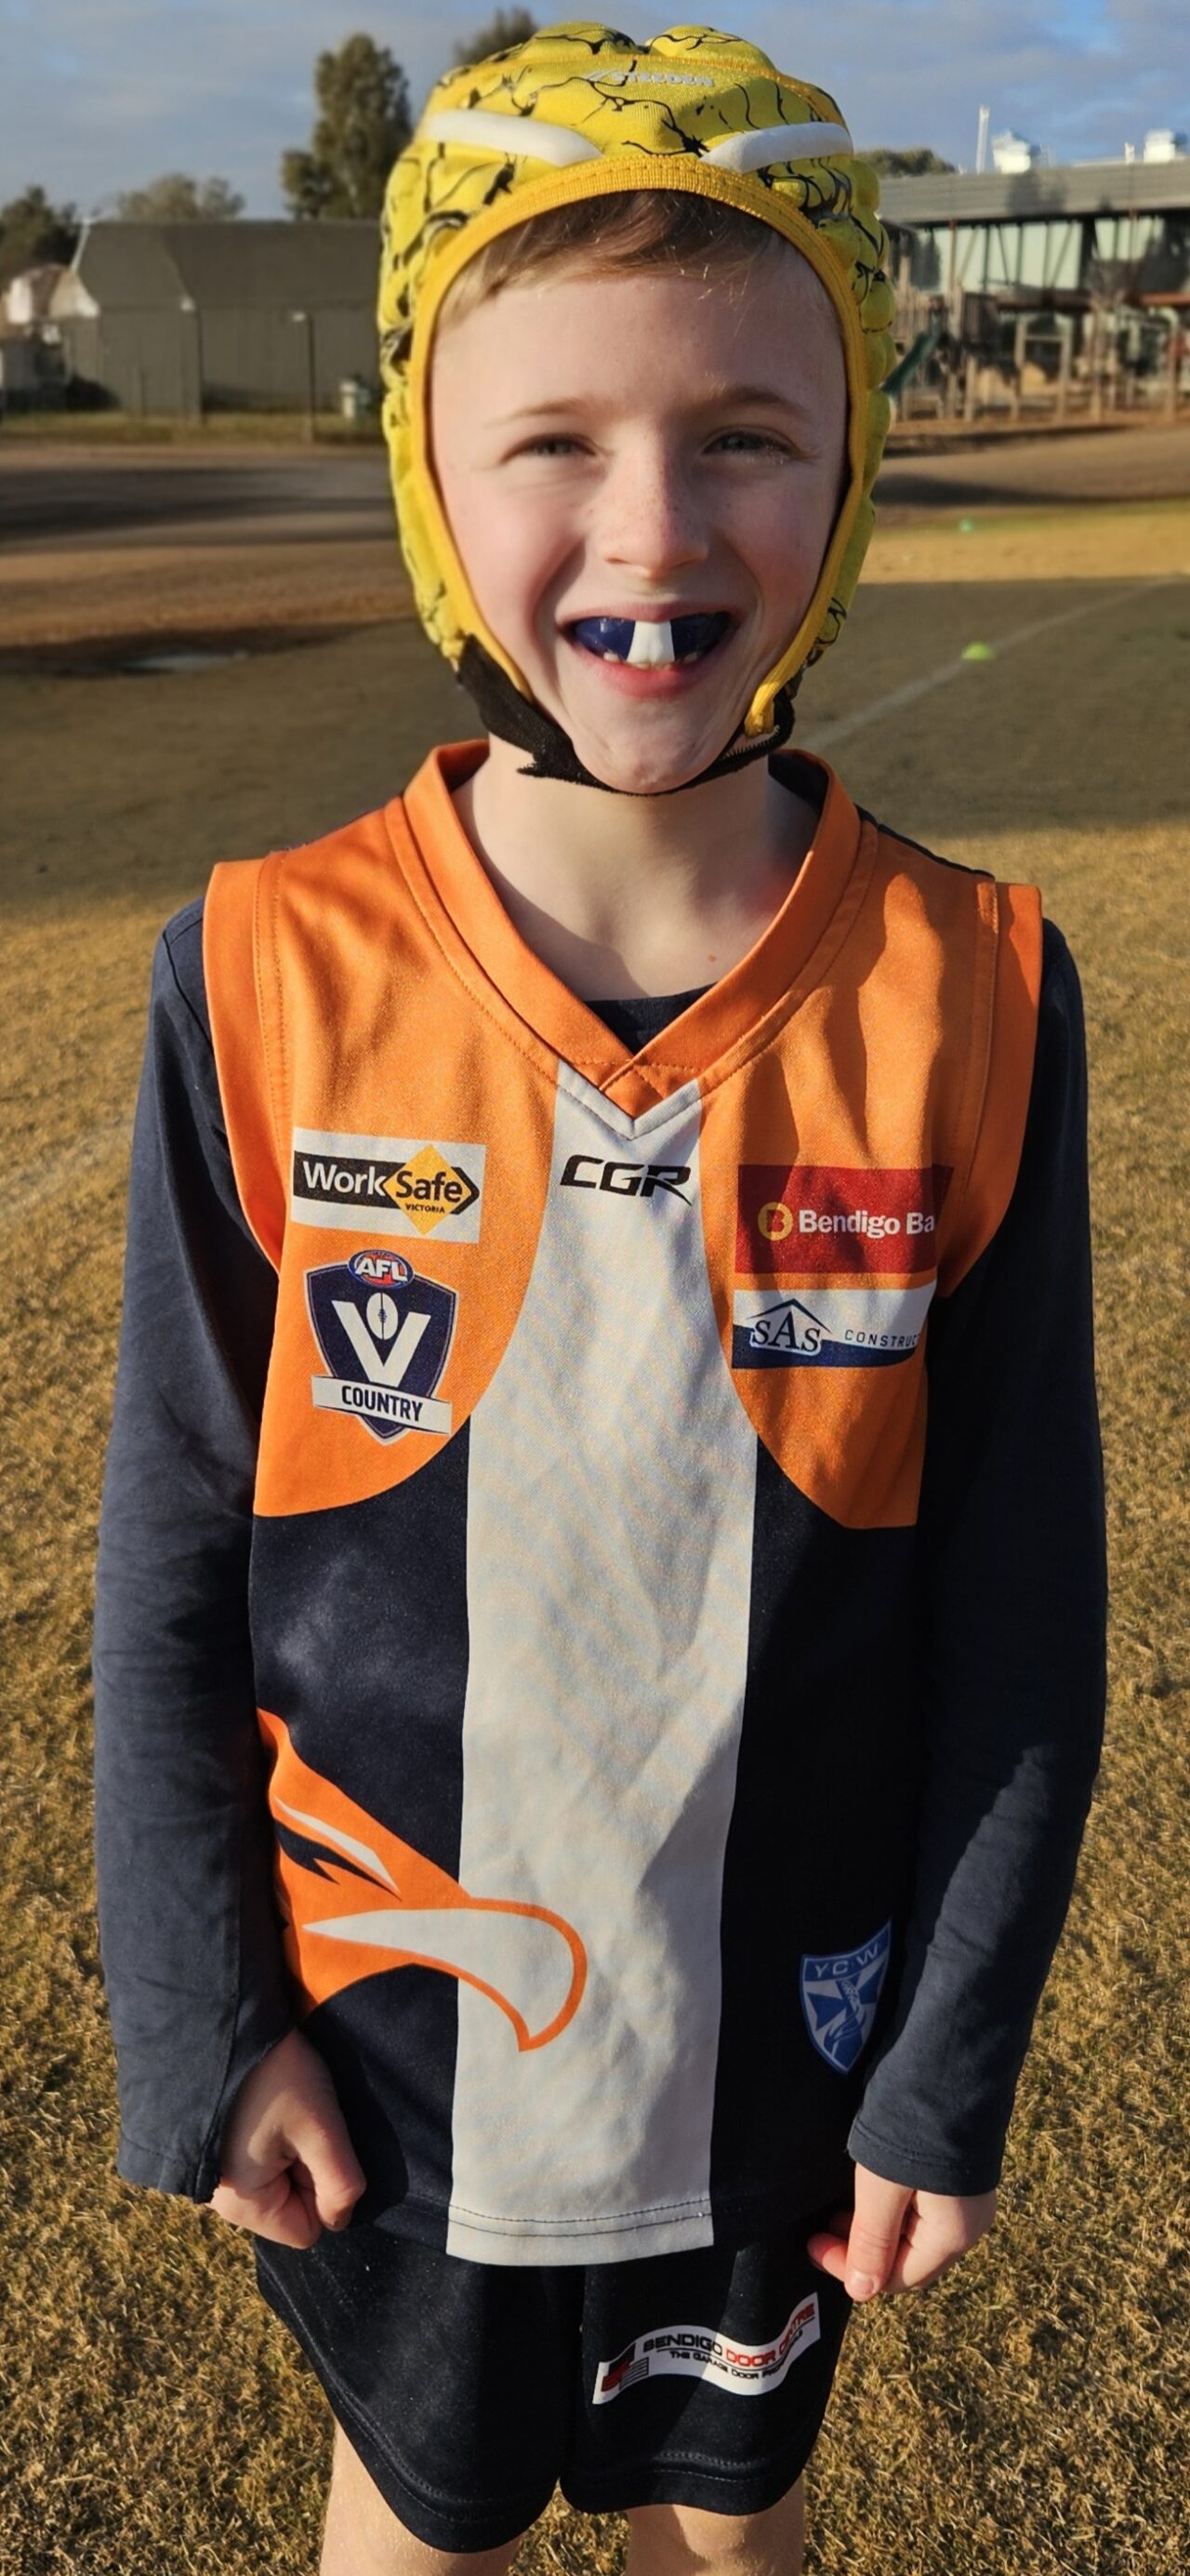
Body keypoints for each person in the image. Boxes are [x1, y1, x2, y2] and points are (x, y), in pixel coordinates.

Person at [93, 24, 1106, 2576]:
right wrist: (202, 2012)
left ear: (849, 469)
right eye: (552, 438)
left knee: (729, 2540)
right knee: (413, 2534)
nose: (651, 520)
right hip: (394, 2069)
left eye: (745, 432)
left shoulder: (976, 991)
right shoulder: (264, 973)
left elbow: (1021, 1598)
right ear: (428, 476)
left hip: (780, 2065)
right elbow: (175, 1556)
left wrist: (947, 2058)